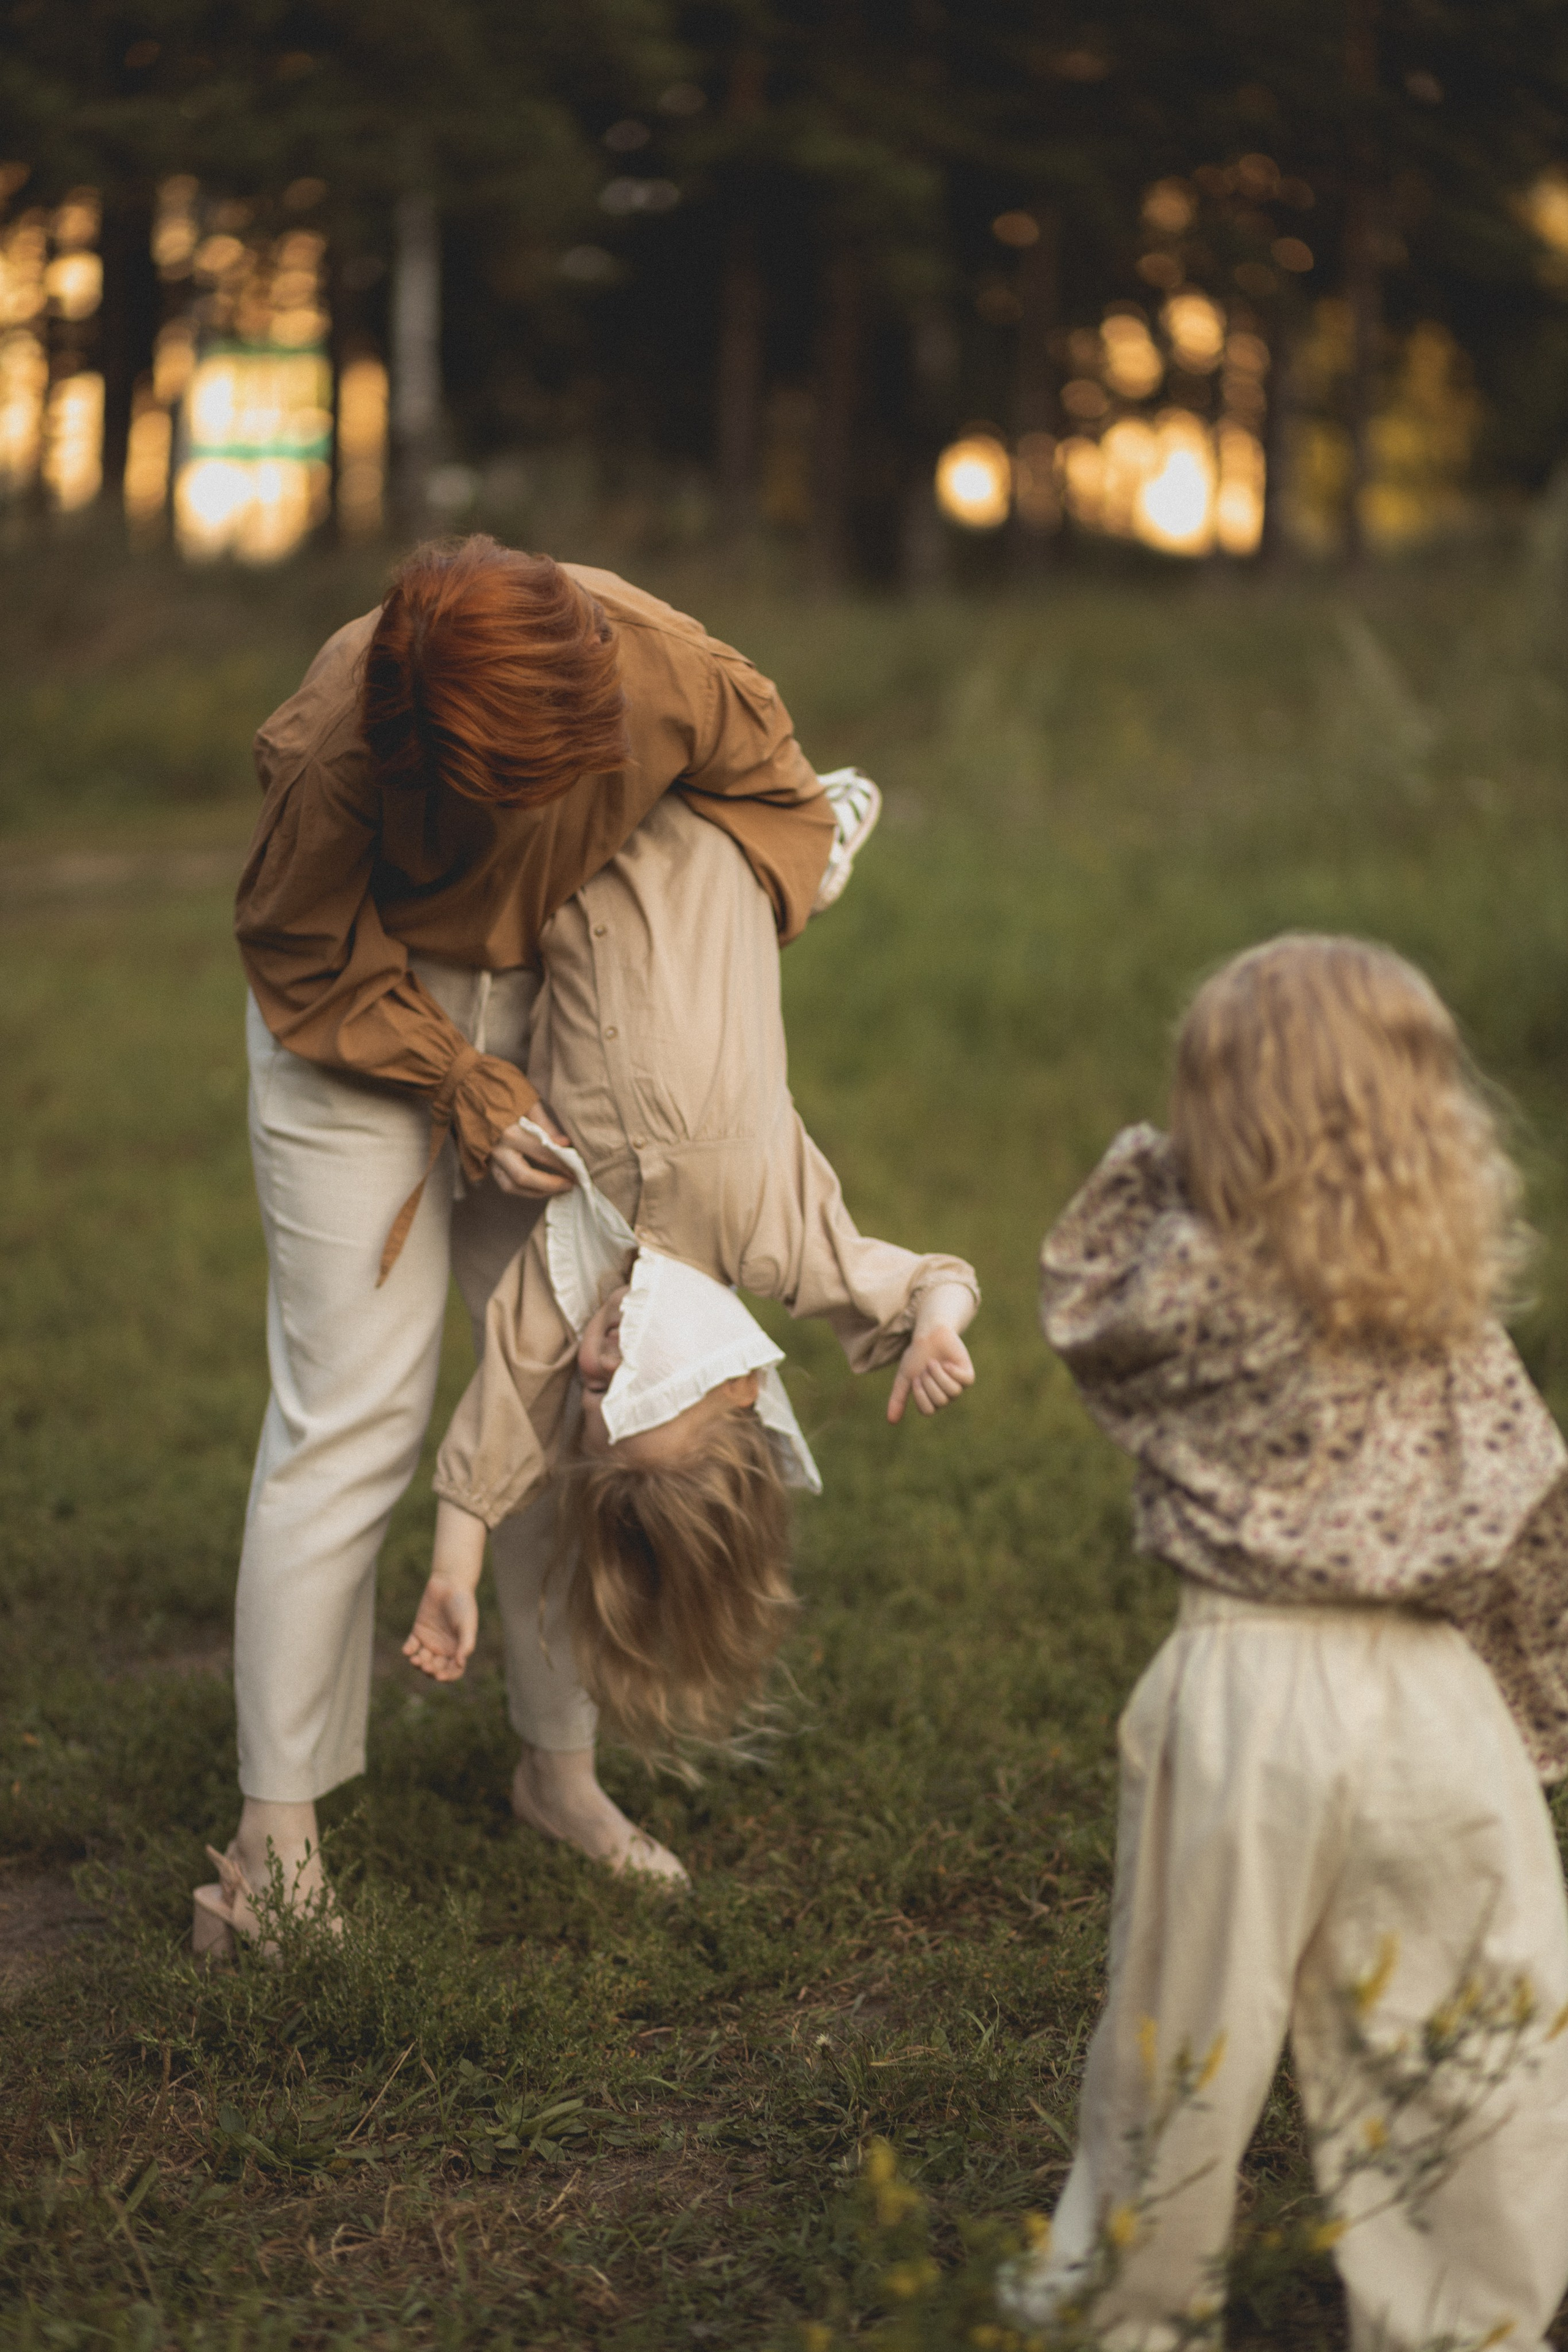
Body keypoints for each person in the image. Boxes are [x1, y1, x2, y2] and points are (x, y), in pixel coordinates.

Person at [194, 535, 861, 1956]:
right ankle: (275, 1847)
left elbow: (776, 800)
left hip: (568, 1004)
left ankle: (557, 1775)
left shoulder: (659, 658)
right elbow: (300, 949)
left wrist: (702, 978)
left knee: (580, 1388)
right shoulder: (336, 742)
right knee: (353, 1418)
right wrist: (460, 1085)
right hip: (366, 1012)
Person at [1000, 935, 1568, 2350]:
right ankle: (1472, 2320)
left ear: (1211, 1125)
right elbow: (1531, 1541)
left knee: (1180, 2032)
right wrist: (1538, 1727)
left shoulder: (1180, 1299)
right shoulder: (1450, 1331)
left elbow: (1079, 1283)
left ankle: (1123, 2309)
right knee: (1470, 2040)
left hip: (1241, 1691)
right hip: (1438, 1715)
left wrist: (1165, 1157)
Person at [398, 792, 979, 1883]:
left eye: (594, 1407)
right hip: (721, 838)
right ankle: (819, 839)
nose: (598, 1370)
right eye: (643, 1400)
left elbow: (497, 1435)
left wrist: (453, 1571)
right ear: (740, 1390)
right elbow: (913, 1280)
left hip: (576, 838)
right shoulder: (772, 1240)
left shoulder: (568, 1269)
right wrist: (938, 1329)